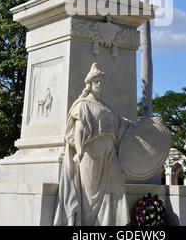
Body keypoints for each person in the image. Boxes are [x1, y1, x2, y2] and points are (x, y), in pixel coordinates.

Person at [53, 63, 134, 226]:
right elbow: (79, 129)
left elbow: (123, 124)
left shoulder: (106, 107)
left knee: (114, 191)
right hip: (90, 154)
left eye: (101, 82)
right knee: (89, 198)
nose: (99, 85)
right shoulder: (82, 104)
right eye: (96, 81)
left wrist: (147, 125)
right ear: (89, 84)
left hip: (110, 154)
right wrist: (80, 150)